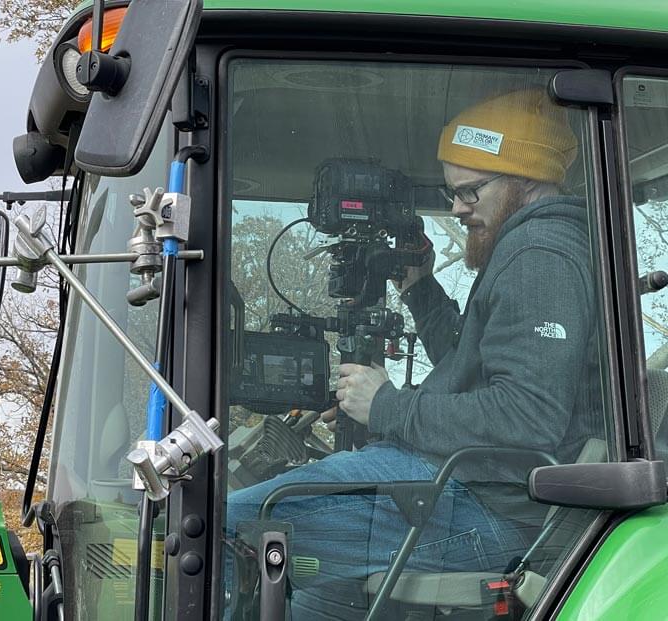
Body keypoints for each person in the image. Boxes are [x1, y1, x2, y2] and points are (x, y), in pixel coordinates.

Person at [226, 89, 603, 619]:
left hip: (481, 505)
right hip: (464, 489)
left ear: (525, 176)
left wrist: (388, 406)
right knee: (315, 589)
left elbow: (528, 415)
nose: (457, 208)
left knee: (223, 523)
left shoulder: (540, 256)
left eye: (470, 191)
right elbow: (470, 368)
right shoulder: (532, 248)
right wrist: (421, 287)